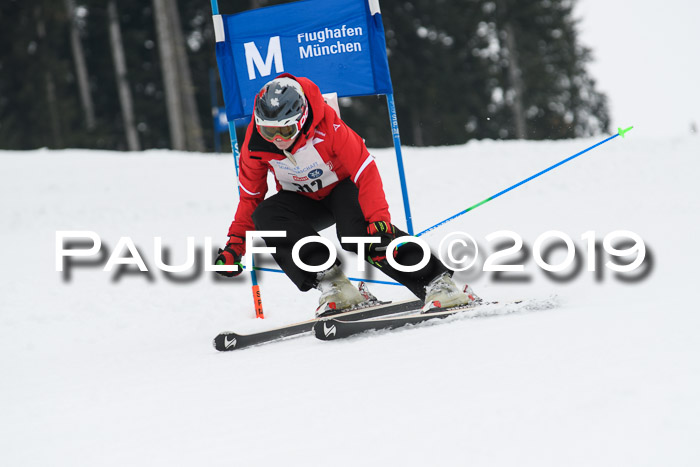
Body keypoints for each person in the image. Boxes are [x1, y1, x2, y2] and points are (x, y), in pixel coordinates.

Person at [215, 73, 477, 316]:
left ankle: (438, 282)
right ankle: (336, 287)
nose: (278, 139)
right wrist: (234, 248)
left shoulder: (328, 127)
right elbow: (250, 198)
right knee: (267, 215)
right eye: (269, 131)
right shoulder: (255, 146)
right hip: (304, 200)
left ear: (303, 118)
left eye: (286, 130)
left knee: (358, 234)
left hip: (343, 187)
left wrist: (378, 218)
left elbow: (365, 170)